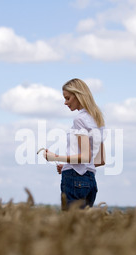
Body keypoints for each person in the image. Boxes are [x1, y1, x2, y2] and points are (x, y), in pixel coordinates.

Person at [43, 78, 105, 210]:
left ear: (78, 96)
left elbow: (84, 157)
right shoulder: (97, 119)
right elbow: (100, 160)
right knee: (82, 228)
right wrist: (68, 165)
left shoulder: (80, 119)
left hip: (75, 180)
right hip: (90, 182)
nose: (65, 103)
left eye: (68, 98)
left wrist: (55, 157)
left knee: (70, 228)